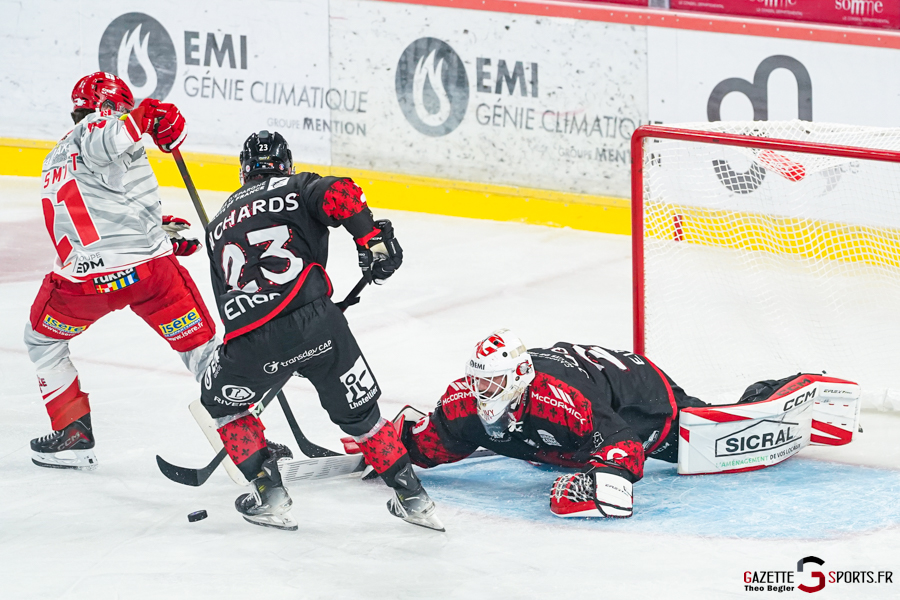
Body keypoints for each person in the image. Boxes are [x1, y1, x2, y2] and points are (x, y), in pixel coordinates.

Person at [198, 130, 441, 532]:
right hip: (319, 324)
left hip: (251, 338)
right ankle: (414, 499)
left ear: (243, 171)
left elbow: (230, 294)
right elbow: (344, 193)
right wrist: (371, 242)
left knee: (222, 406)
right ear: (285, 163)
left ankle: (269, 494)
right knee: (363, 417)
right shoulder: (297, 186)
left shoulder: (218, 223)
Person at [26, 72, 220, 470]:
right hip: (150, 276)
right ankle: (246, 438)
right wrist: (149, 114)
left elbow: (93, 214)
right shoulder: (102, 126)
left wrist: (157, 228)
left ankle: (73, 432)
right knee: (202, 351)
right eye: (123, 111)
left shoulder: (54, 157)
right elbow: (109, 135)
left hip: (83, 286)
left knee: (42, 341)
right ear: (110, 108)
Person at [364, 328, 710, 519]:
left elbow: (627, 448)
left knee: (690, 438)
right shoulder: (465, 402)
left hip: (638, 393)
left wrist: (598, 485)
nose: (481, 392)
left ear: (517, 377)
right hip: (583, 388)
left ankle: (762, 395)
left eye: (492, 382)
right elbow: (430, 443)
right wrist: (389, 447)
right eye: (478, 381)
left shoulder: (560, 403)